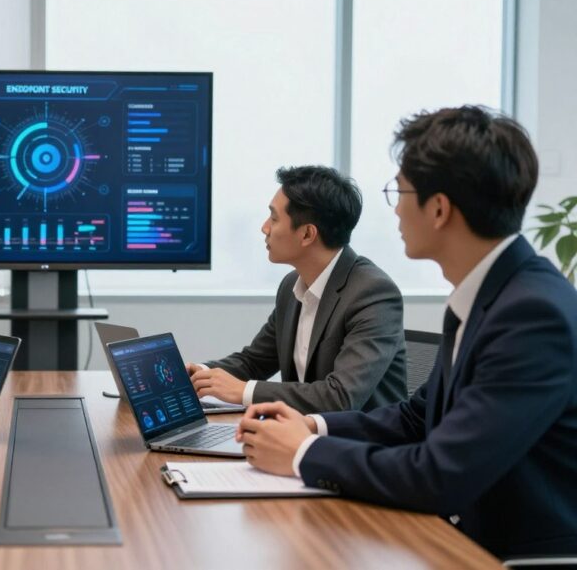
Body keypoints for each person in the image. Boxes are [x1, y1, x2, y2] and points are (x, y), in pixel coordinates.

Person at [237, 106, 577, 559]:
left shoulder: (533, 314)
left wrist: (303, 454)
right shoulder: (489, 295)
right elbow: (416, 419)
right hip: (458, 536)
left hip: (507, 555)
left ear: (439, 209)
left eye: (399, 191)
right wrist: (311, 424)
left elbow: (441, 475)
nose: (395, 208)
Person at [187, 165, 407, 413]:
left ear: (307, 234)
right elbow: (254, 361)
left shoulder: (373, 293)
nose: (264, 228)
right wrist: (198, 374)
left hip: (361, 445)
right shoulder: (292, 286)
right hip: (303, 436)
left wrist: (244, 391)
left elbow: (340, 397)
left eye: (274, 218)